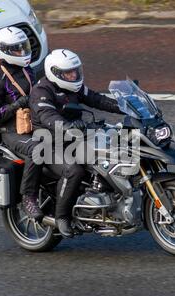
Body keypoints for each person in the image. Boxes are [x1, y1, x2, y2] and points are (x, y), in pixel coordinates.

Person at [29, 49, 124, 237]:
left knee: (114, 150)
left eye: (75, 71)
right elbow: (49, 117)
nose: (74, 75)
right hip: (49, 144)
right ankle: (62, 216)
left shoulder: (74, 87)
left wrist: (124, 106)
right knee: (74, 170)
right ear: (55, 72)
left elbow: (96, 99)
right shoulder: (42, 91)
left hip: (75, 137)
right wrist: (68, 126)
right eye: (68, 73)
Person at [0, 26, 43, 221]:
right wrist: (17, 105)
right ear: (3, 50)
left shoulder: (27, 69)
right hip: (11, 131)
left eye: (23, 47)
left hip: (34, 123)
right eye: (16, 49)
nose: (22, 52)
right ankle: (28, 197)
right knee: (38, 150)